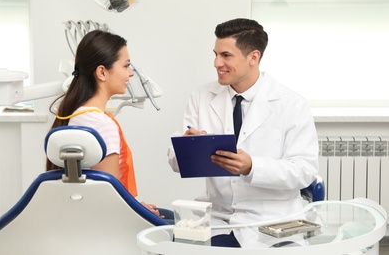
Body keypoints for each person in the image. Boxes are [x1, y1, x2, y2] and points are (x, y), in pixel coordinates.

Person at [167, 18, 319, 247]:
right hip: (219, 217)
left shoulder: (291, 104)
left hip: (272, 221)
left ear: (253, 57)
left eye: (226, 55)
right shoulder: (202, 97)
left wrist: (252, 167)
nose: (217, 63)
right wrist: (186, 148)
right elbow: (175, 161)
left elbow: (305, 171)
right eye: (215, 54)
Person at [46, 29, 174, 224]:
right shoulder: (102, 125)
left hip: (82, 215)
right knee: (176, 222)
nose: (131, 73)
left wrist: (136, 204)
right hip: (108, 222)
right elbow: (110, 199)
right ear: (102, 72)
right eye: (126, 66)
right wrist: (137, 208)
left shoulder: (75, 115)